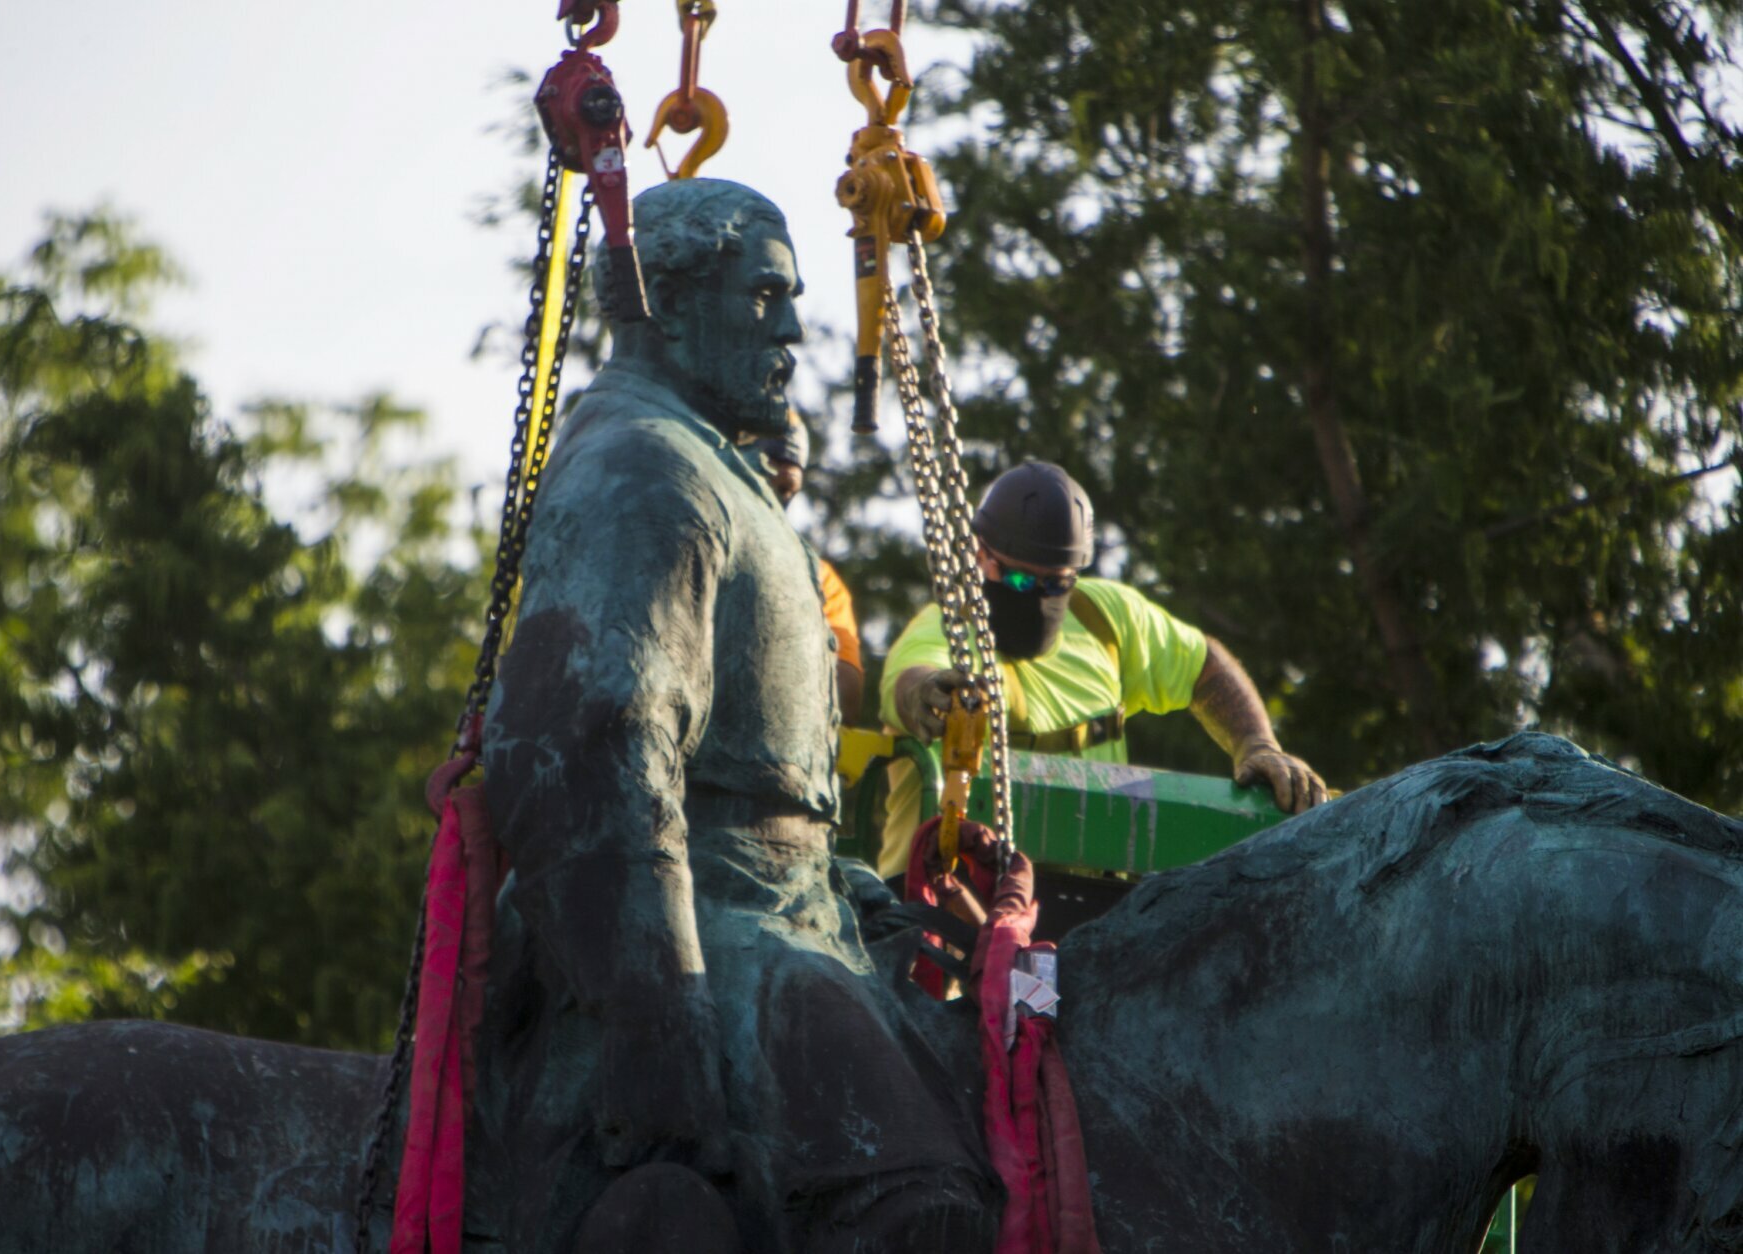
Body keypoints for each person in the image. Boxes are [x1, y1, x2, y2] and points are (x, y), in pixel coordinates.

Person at [475, 178, 994, 1254]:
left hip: (786, 916)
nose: (796, 329)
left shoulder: (709, 466)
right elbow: (594, 739)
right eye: (763, 296)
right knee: (920, 1205)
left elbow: (760, 787)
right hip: (705, 937)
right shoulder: (645, 465)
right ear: (662, 300)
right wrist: (652, 1010)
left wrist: (866, 906)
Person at [877, 460, 1327, 878]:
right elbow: (907, 678)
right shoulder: (943, 631)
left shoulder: (1105, 620)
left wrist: (1256, 743)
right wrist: (923, 693)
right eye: (1019, 580)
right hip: (948, 904)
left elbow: (1204, 665)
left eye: (1057, 583)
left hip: (1088, 905)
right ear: (980, 557)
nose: (1039, 596)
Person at [752, 415, 865, 718]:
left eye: (786, 488)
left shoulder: (818, 577)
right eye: (760, 478)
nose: (773, 498)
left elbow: (847, 690)